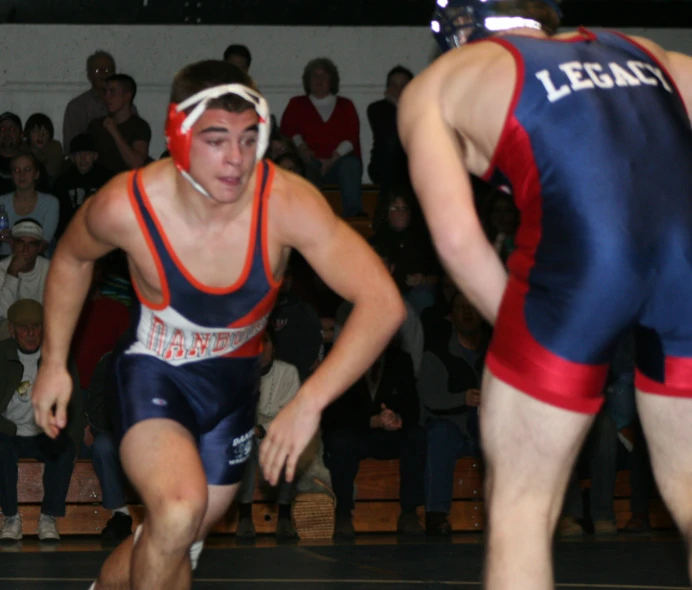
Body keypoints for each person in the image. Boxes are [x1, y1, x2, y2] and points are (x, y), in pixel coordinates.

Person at [31, 60, 404, 590]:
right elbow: (70, 259)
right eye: (216, 139)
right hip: (154, 374)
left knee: (175, 531)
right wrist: (53, 363)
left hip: (232, 391)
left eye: (249, 139)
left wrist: (308, 402)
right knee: (180, 510)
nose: (236, 159)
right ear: (178, 135)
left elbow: (382, 302)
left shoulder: (285, 202)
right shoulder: (130, 204)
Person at [398, 1, 692, 588]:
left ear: (457, 25)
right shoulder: (645, 50)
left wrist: (531, 338)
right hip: (686, 256)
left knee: (521, 511)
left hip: (582, 263)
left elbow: (457, 240)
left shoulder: (438, 83)